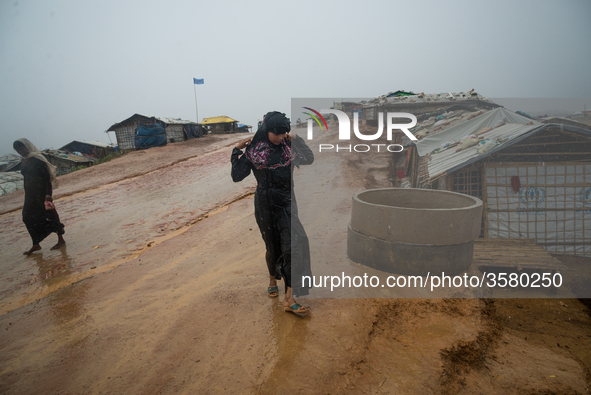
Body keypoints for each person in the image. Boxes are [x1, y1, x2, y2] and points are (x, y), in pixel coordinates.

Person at [231, 111, 313, 315]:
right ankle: (271, 279)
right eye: (276, 133)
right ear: (266, 130)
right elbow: (237, 176)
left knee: (293, 245)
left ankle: (289, 297)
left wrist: (296, 139)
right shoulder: (254, 151)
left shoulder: (288, 148)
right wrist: (235, 150)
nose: (280, 136)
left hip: (287, 204)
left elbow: (309, 158)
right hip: (265, 206)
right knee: (272, 246)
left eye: (284, 132)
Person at [13, 139, 65, 255]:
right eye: (17, 150)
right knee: (27, 217)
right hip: (30, 195)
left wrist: (48, 195)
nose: (20, 151)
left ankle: (61, 240)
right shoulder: (24, 161)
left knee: (50, 215)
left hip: (42, 194)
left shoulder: (38, 160)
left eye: (22, 148)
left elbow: (47, 179)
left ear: (28, 146)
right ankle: (36, 244)